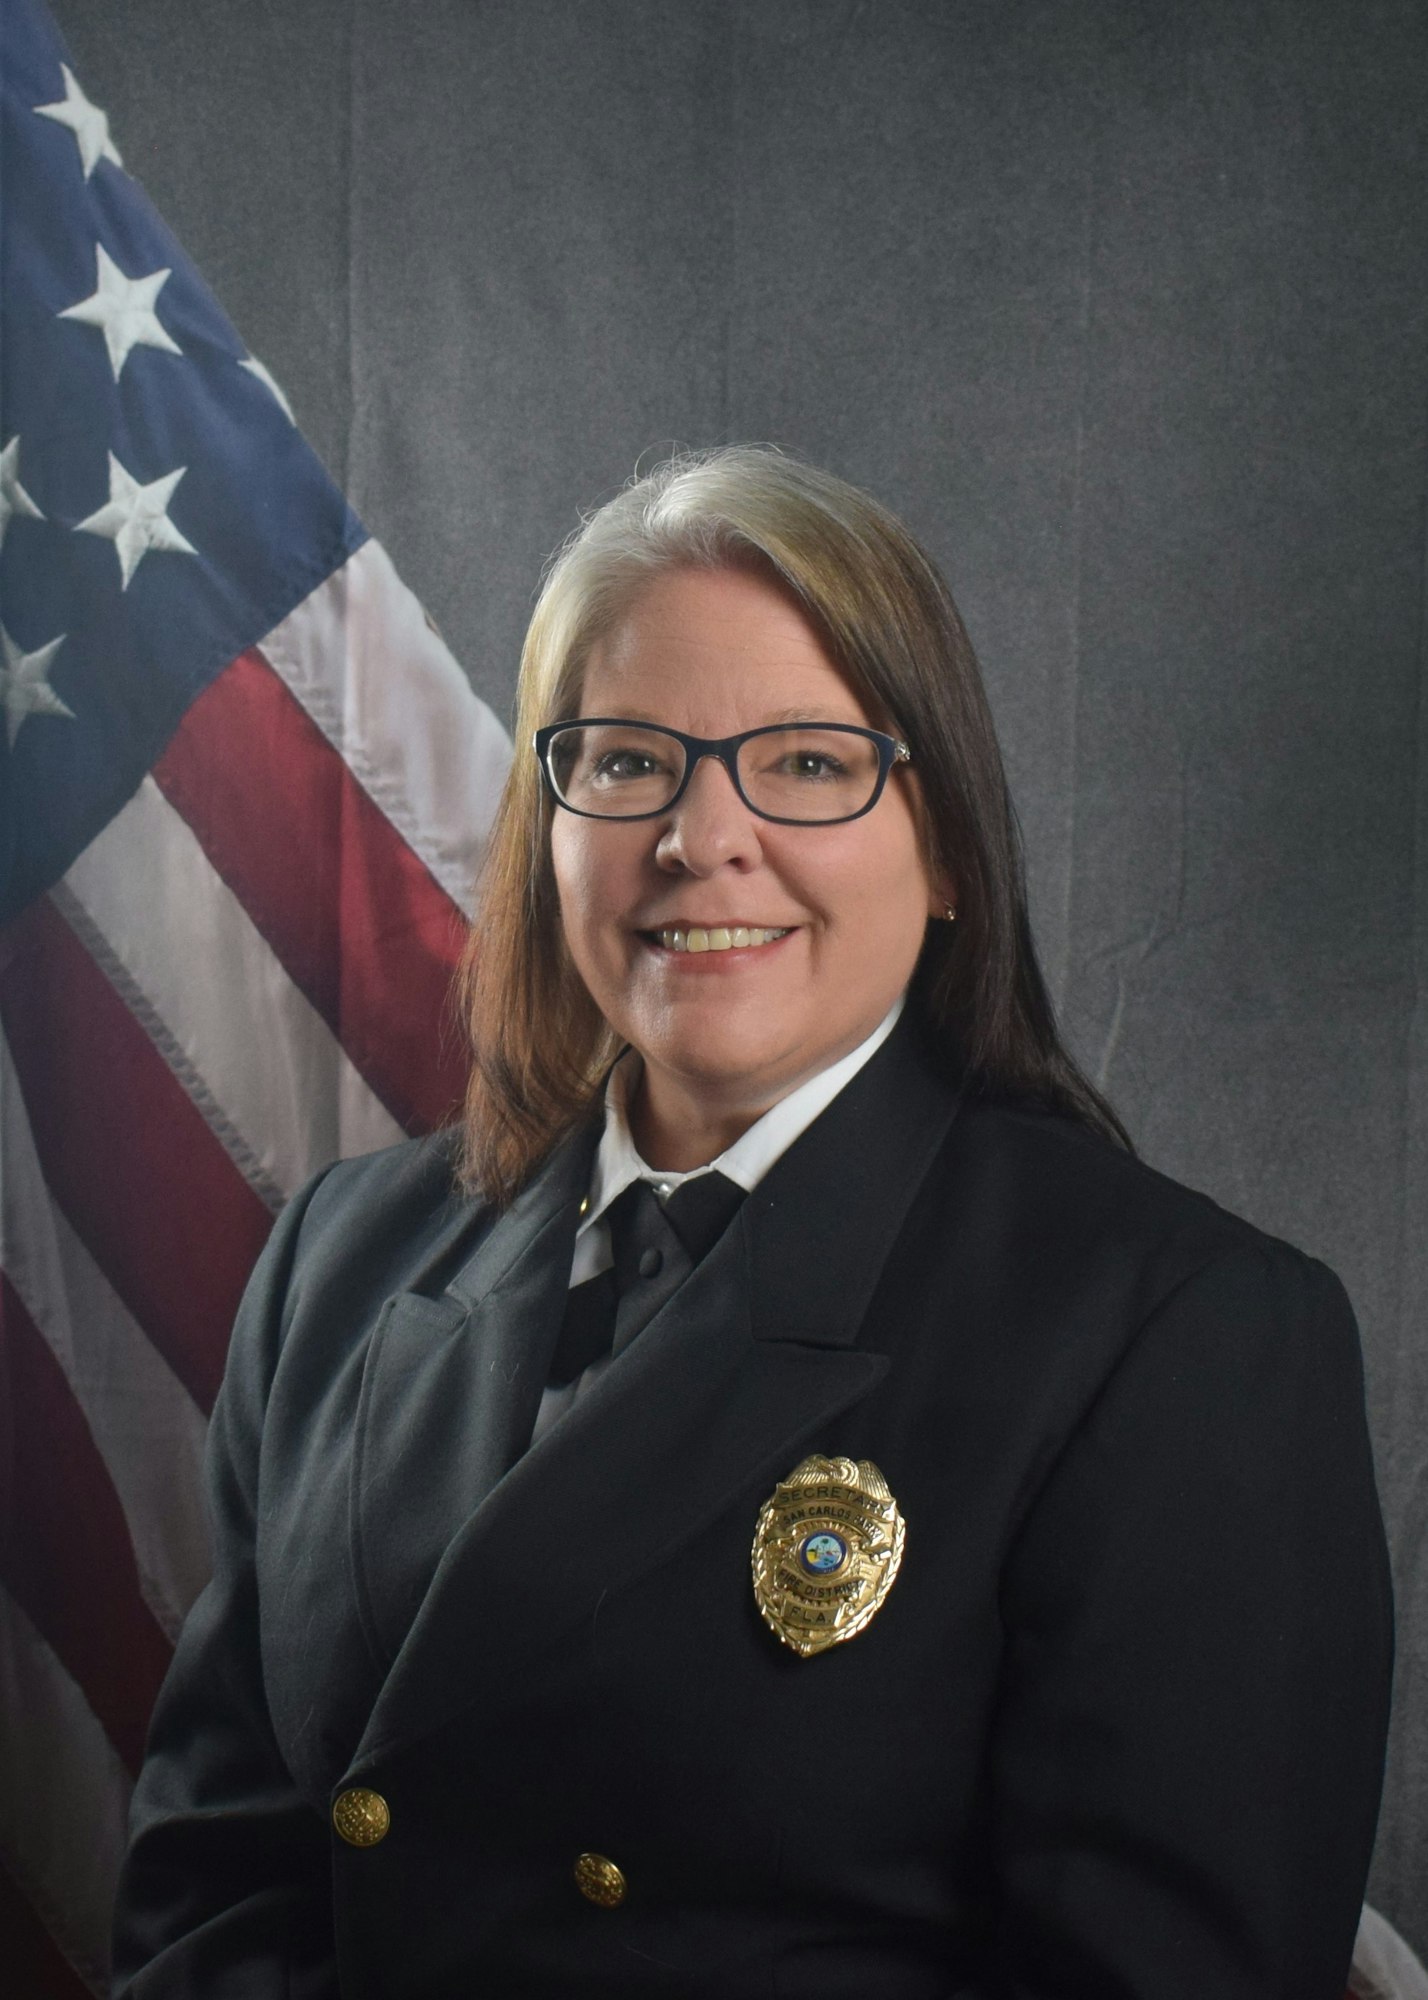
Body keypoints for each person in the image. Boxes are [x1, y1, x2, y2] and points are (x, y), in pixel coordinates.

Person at [113, 447, 1392, 2000]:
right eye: (630, 759)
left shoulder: (1176, 1336)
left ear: (946, 850)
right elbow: (206, 1898)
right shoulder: (342, 1263)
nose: (701, 839)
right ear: (547, 827)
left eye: (802, 764)